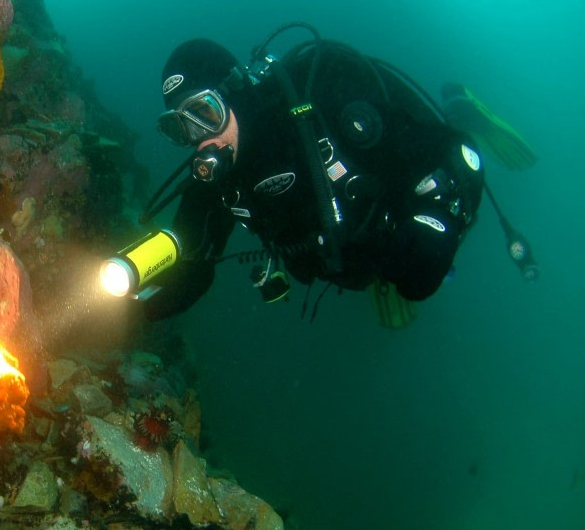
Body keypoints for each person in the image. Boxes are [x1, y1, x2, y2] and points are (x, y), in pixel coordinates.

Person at [133, 23, 502, 322]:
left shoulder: (325, 97)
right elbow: (189, 255)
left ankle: (464, 108)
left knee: (415, 267)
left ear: (237, 93)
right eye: (180, 128)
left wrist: (437, 225)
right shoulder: (218, 178)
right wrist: (134, 302)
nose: (201, 140)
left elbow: (454, 153)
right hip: (351, 259)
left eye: (205, 113)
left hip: (395, 218)